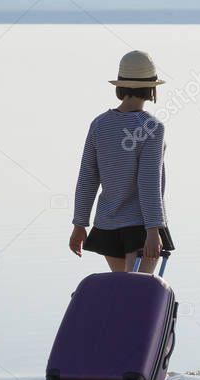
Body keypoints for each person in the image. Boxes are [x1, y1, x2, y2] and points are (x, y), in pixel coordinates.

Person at [68, 50, 175, 274]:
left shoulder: (99, 124)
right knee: (136, 295)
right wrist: (154, 231)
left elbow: (87, 176)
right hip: (141, 226)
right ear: (151, 89)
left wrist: (80, 224)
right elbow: (148, 182)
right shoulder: (151, 127)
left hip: (107, 225)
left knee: (122, 292)